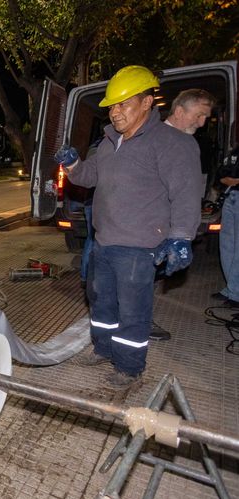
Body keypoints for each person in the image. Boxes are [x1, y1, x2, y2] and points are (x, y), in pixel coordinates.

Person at [55, 65, 201, 386]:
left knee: (133, 312)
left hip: (139, 247)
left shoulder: (170, 143)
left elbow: (186, 193)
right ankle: (103, 348)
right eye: (112, 106)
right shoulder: (109, 142)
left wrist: (181, 237)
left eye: (124, 104)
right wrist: (74, 163)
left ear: (148, 102)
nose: (115, 113)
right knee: (100, 300)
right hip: (104, 242)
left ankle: (129, 366)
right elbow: (90, 176)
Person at [147, 88, 217, 340]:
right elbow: (187, 192)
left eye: (205, 118)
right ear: (179, 111)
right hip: (151, 227)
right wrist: (182, 234)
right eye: (198, 116)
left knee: (145, 278)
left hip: (152, 225)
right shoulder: (181, 142)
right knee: (142, 278)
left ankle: (134, 319)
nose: (201, 123)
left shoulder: (152, 134)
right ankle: (138, 322)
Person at [214, 146, 239, 306]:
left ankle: (236, 293)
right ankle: (232, 289)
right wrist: (223, 179)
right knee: (227, 245)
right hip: (230, 196)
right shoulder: (236, 151)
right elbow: (221, 171)